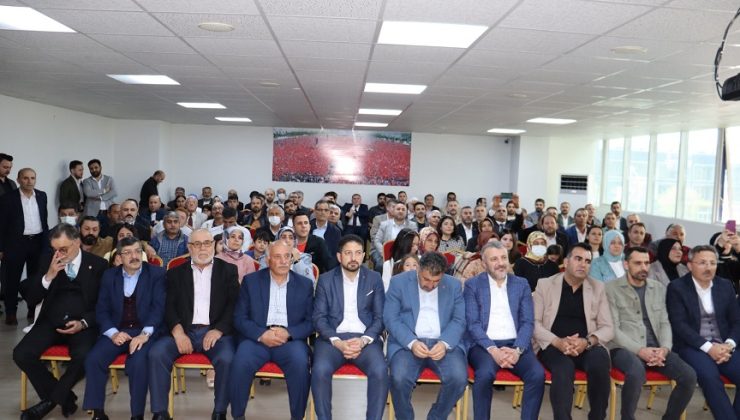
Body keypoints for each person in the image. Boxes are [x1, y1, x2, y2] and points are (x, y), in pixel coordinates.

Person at [14, 224, 108, 420]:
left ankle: (48, 403)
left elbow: (105, 304)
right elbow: (32, 298)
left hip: (83, 325)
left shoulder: (98, 264)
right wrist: (48, 276)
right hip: (51, 322)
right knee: (21, 354)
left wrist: (84, 323)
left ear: (77, 242)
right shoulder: (48, 261)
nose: (58, 254)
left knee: (84, 357)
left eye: (63, 249)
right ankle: (65, 398)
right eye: (55, 249)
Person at [148, 229, 239, 420]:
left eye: (207, 243)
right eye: (197, 244)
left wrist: (218, 330)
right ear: (189, 247)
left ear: (214, 245)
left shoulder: (228, 270)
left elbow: (234, 305)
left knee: (227, 359)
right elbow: (168, 306)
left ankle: (220, 412)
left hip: (215, 332)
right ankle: (160, 412)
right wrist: (178, 332)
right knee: (156, 353)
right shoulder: (175, 273)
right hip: (184, 331)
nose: (202, 248)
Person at [605, 247, 696, 420]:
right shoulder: (611, 288)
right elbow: (612, 329)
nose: (644, 268)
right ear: (626, 264)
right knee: (636, 373)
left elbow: (664, 322)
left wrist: (665, 349)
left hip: (656, 348)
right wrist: (640, 350)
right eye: (638, 263)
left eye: (646, 263)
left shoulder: (658, 288)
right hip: (623, 348)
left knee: (689, 376)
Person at [83, 237, 167, 420]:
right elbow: (102, 310)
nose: (134, 256)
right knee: (94, 359)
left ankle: (137, 415)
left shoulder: (157, 274)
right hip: (118, 330)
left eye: (137, 251)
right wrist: (113, 333)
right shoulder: (109, 276)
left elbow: (159, 308)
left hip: (144, 332)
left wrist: (144, 335)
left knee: (138, 363)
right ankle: (98, 413)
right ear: (119, 257)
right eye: (128, 253)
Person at [230, 240, 314, 420]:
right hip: (257, 338)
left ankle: (297, 417)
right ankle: (238, 416)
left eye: (287, 256)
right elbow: (239, 317)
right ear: (268, 260)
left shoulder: (304, 284)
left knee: (300, 364)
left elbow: (311, 322)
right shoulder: (251, 282)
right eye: (277, 257)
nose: (283, 261)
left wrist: (289, 333)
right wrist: (261, 334)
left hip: (290, 340)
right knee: (240, 362)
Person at [533, 243, 614, 420]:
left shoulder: (598, 287)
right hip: (553, 345)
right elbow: (534, 324)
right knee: (564, 368)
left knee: (600, 361)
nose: (583, 264)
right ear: (566, 262)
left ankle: (597, 417)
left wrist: (587, 341)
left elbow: (608, 327)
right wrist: (558, 342)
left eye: (587, 261)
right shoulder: (545, 285)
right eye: (578, 259)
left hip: (586, 346)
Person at [465, 241, 545, 420]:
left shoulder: (521, 284)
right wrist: (494, 350)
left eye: (503, 258)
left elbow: (527, 322)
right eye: (494, 259)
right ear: (484, 263)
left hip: (516, 344)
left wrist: (517, 350)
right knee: (484, 374)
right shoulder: (473, 285)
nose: (500, 263)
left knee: (537, 375)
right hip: (483, 345)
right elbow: (473, 324)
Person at [312, 235, 388, 420]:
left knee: (380, 371)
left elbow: (380, 317)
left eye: (358, 253)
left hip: (365, 340)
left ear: (363, 256)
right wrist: (338, 342)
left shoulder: (374, 278)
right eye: (348, 253)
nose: (353, 258)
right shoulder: (325, 280)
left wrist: (363, 340)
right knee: (319, 371)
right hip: (332, 340)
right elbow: (319, 318)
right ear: (339, 256)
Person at [384, 251, 467, 420]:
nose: (430, 285)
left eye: (436, 281)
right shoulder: (398, 282)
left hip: (443, 343)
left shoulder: (454, 285)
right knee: (399, 379)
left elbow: (459, 320)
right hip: (407, 343)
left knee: (458, 379)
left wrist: (444, 343)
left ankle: (436, 417)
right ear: (418, 269)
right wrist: (411, 342)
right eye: (426, 279)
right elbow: (391, 318)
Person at [666, 245, 740, 419]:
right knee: (710, 377)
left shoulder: (725, 285)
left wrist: (729, 344)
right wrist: (709, 348)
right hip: (692, 346)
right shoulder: (677, 287)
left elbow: (737, 321)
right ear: (690, 265)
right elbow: (679, 325)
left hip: (724, 345)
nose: (708, 268)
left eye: (713, 263)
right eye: (702, 263)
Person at [0, 168, 49, 325]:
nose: (29, 181)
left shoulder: (42, 196)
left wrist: (47, 243)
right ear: (18, 180)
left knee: (35, 278)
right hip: (16, 243)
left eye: (32, 178)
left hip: (37, 241)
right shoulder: (8, 198)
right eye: (25, 178)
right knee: (12, 279)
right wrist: (1, 248)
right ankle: (11, 312)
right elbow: (2, 225)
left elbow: (44, 220)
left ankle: (32, 309)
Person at [374, 201, 418, 270]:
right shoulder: (384, 224)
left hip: (407, 253)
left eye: (403, 209)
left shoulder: (412, 225)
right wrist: (383, 252)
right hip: (387, 253)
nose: (400, 211)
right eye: (398, 209)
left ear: (406, 212)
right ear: (393, 211)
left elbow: (416, 241)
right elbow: (377, 240)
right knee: (380, 265)